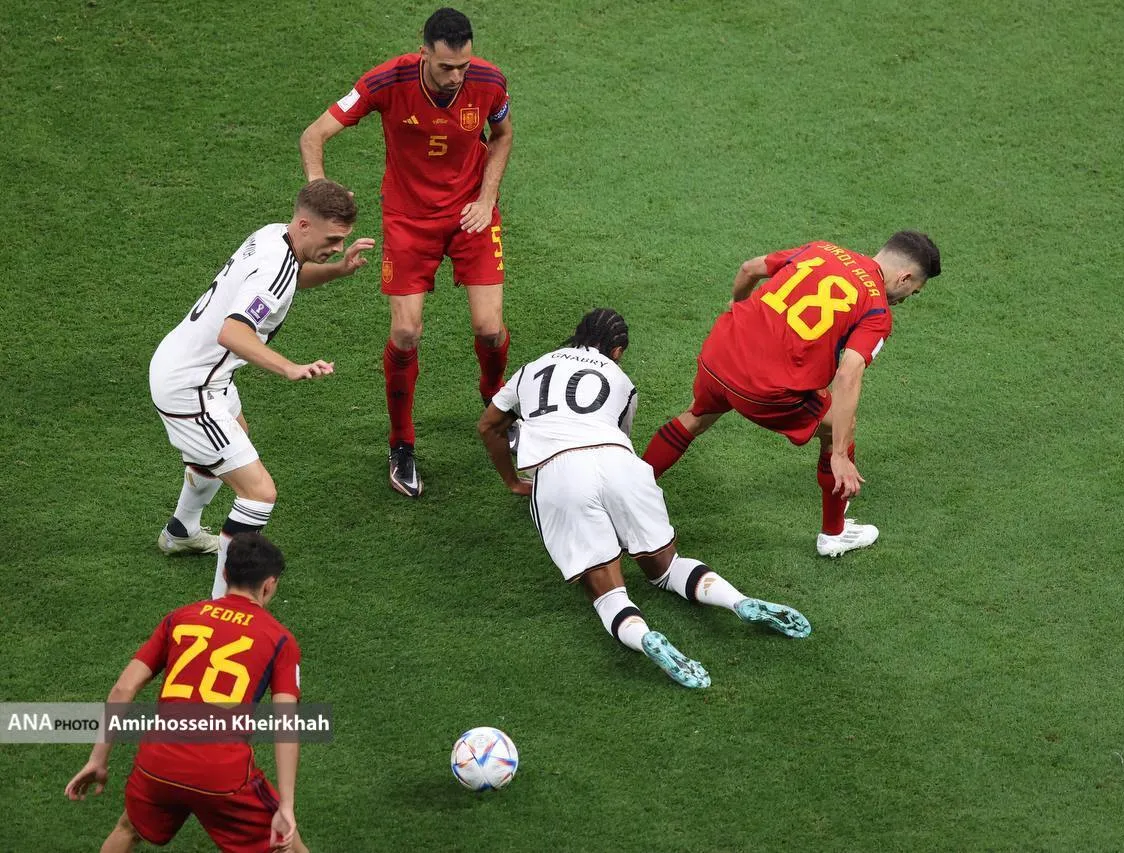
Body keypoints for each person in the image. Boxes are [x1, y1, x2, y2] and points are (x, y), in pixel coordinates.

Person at [478, 309, 812, 690]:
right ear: (617, 351)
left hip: (560, 473)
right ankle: (736, 601)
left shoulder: (532, 369)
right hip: (620, 461)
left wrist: (512, 481)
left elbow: (489, 426)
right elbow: (618, 443)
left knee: (608, 593)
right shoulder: (622, 381)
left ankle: (645, 636)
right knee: (667, 569)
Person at [299, 7, 514, 498]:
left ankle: (496, 401)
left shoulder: (489, 81)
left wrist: (486, 198)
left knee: (489, 328)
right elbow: (314, 135)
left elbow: (502, 136)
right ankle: (401, 443)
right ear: (424, 54)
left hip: (471, 215)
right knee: (405, 332)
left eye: (462, 67)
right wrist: (318, 189)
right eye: (445, 67)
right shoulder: (386, 81)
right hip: (409, 219)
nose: (455, 77)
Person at [642, 232, 941, 558]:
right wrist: (841, 455)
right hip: (764, 390)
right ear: (905, 277)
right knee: (840, 428)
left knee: (696, 416)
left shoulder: (823, 250)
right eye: (913, 291)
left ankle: (629, 484)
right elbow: (848, 374)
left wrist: (740, 308)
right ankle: (834, 533)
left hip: (719, 354)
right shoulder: (877, 311)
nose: (906, 298)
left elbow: (749, 269)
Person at [150, 180, 373, 599]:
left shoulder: (274, 235)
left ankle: (181, 531)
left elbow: (290, 279)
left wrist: (338, 270)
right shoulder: (275, 266)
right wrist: (289, 367)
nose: (338, 247)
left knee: (235, 437)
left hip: (191, 365)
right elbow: (233, 333)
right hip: (191, 386)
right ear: (304, 225)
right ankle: (225, 605)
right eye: (332, 240)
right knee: (259, 494)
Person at [65, 533, 308, 853]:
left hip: (157, 762)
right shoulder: (280, 639)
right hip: (220, 771)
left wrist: (98, 759)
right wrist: (286, 805)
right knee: (287, 844)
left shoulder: (180, 618)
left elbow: (124, 687)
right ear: (269, 585)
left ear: (225, 574)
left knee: (128, 828)